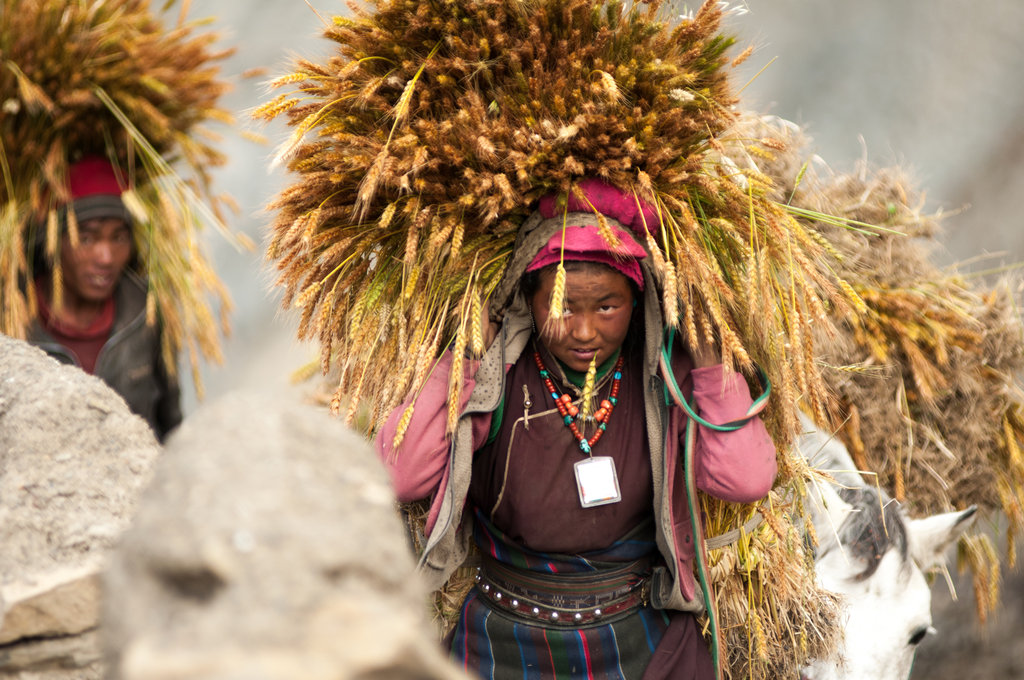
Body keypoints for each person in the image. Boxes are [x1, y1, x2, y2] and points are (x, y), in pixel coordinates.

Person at [376, 179, 777, 679]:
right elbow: (401, 475)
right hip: (504, 640)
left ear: (638, 300)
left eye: (607, 307)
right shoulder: (497, 376)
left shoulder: (661, 374)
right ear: (528, 298)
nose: (585, 332)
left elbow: (746, 479)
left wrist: (710, 354)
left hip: (642, 637)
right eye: (563, 306)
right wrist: (466, 354)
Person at [27, 155, 182, 442]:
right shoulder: (14, 324)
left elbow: (171, 422)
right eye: (86, 239)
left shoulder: (145, 312)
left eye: (118, 238)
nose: (106, 258)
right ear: (51, 242)